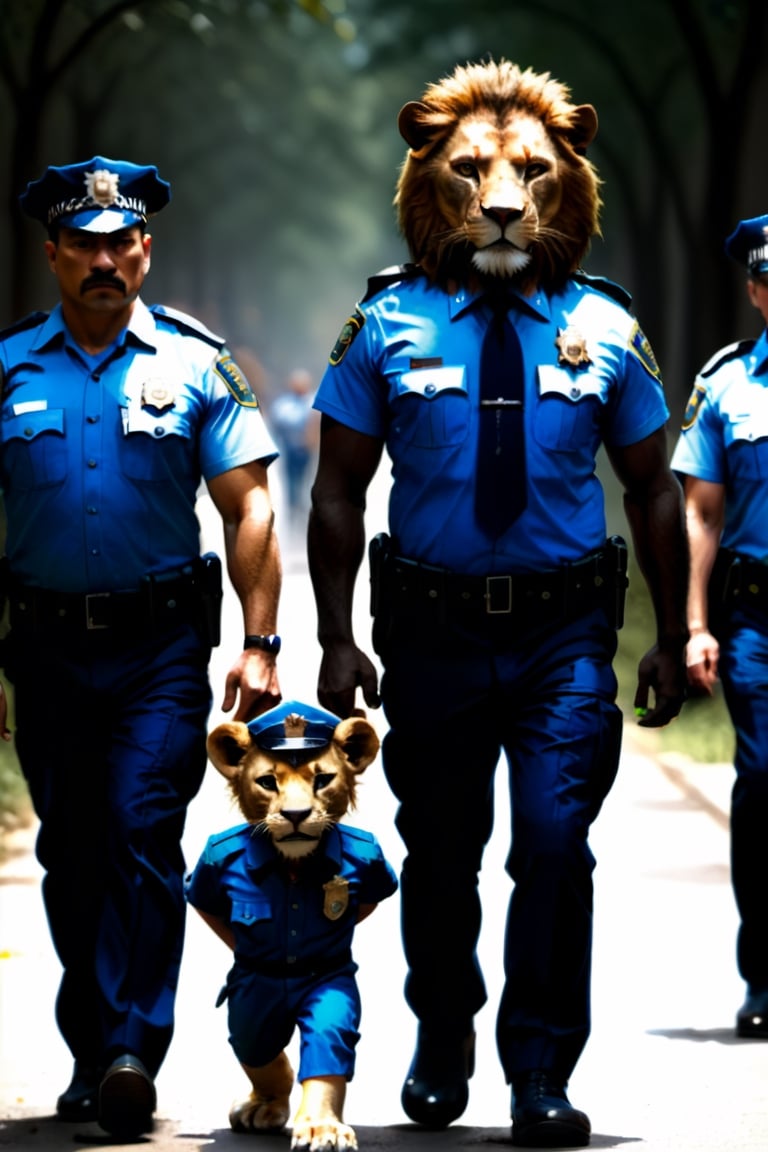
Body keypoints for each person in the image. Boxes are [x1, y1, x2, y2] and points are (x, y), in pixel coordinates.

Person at [307, 59, 688, 1147]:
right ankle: (441, 1032)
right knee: (439, 846)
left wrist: (670, 633)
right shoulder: (385, 322)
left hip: (566, 631)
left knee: (558, 846)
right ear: (430, 177)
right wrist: (334, 639)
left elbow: (654, 487)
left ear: (568, 178)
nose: (506, 197)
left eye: (529, 173)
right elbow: (337, 489)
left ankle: (540, 1070)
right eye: (475, 173)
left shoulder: (608, 326)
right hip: (428, 625)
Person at [0, 157, 283, 1137]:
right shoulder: (7, 371)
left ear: (146, 252)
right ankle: (90, 1047)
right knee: (71, 850)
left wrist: (259, 642)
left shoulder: (201, 366)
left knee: (140, 829)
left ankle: (131, 1047)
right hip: (41, 649)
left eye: (123, 243)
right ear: (54, 255)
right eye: (85, 243)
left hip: (160, 649)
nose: (105, 260)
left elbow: (248, 505)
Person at [671, 213, 768, 1041]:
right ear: (754, 289)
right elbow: (701, 513)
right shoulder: (728, 385)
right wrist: (695, 624)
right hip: (755, 615)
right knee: (765, 778)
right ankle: (764, 975)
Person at [268, 368, 319, 532]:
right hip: (290, 449)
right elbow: (278, 422)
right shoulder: (285, 403)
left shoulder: (313, 401)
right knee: (291, 482)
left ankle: (306, 512)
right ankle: (293, 511)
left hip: (308, 450)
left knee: (308, 481)